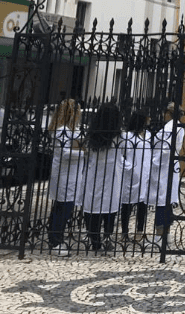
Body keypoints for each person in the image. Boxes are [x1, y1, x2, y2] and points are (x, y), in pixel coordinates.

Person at [81, 102, 128, 252]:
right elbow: (124, 153)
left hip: (95, 173)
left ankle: (95, 240)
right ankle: (107, 236)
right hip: (112, 174)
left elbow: (87, 153)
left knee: (93, 206)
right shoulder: (120, 137)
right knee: (110, 206)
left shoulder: (92, 135)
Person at [47, 99, 85, 257]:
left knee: (62, 207)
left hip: (71, 174)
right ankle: (55, 241)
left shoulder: (70, 129)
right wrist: (84, 152)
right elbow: (65, 153)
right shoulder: (62, 130)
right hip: (64, 174)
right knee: (63, 208)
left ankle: (56, 238)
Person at [148, 103, 185, 245]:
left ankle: (159, 236)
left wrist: (153, 162)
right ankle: (167, 234)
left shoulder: (170, 127)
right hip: (171, 166)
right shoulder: (178, 126)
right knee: (168, 201)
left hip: (163, 168)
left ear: (168, 113)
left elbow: (165, 149)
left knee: (162, 202)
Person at [119, 111, 153, 241]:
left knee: (142, 204)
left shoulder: (148, 135)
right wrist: (128, 166)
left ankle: (139, 231)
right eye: (147, 117)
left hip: (145, 174)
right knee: (127, 204)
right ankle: (124, 232)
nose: (150, 119)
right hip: (131, 174)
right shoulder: (127, 136)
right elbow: (119, 155)